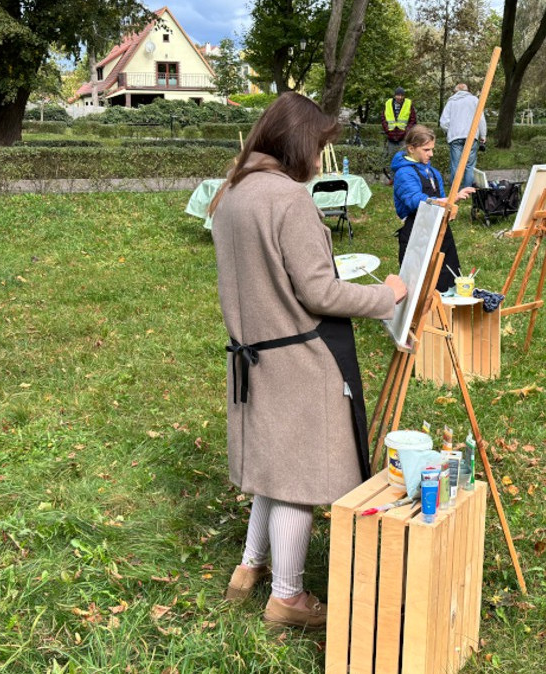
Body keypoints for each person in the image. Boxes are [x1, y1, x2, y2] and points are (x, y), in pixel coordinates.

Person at [209, 92, 407, 630]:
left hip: (256, 355)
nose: (319, 159)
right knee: (299, 474)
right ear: (298, 141)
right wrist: (388, 295)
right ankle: (288, 598)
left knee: (274, 465)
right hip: (296, 356)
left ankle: (249, 567)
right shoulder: (287, 198)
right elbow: (320, 293)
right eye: (318, 146)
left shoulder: (233, 191)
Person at [391, 124, 475, 292]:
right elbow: (415, 201)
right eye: (426, 150)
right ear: (411, 148)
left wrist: (452, 201)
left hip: (439, 228)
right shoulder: (404, 173)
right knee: (419, 282)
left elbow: (442, 197)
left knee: (448, 273)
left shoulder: (433, 172)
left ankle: (445, 311)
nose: (431, 154)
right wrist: (447, 200)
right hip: (416, 231)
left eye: (432, 149)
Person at [439, 83, 486, 189]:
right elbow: (481, 119)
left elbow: (443, 122)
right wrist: (483, 135)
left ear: (456, 91)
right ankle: (467, 190)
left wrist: (449, 131)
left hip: (455, 137)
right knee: (469, 165)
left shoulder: (451, 101)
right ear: (467, 90)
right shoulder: (474, 100)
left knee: (456, 165)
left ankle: (454, 191)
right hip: (471, 136)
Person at [382, 87, 417, 156]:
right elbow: (383, 118)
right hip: (391, 136)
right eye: (398, 95)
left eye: (402, 95)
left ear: (404, 96)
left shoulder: (408, 104)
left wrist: (406, 131)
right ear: (394, 95)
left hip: (403, 137)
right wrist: (387, 130)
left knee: (404, 157)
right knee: (391, 158)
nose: (400, 97)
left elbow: (413, 120)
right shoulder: (388, 103)